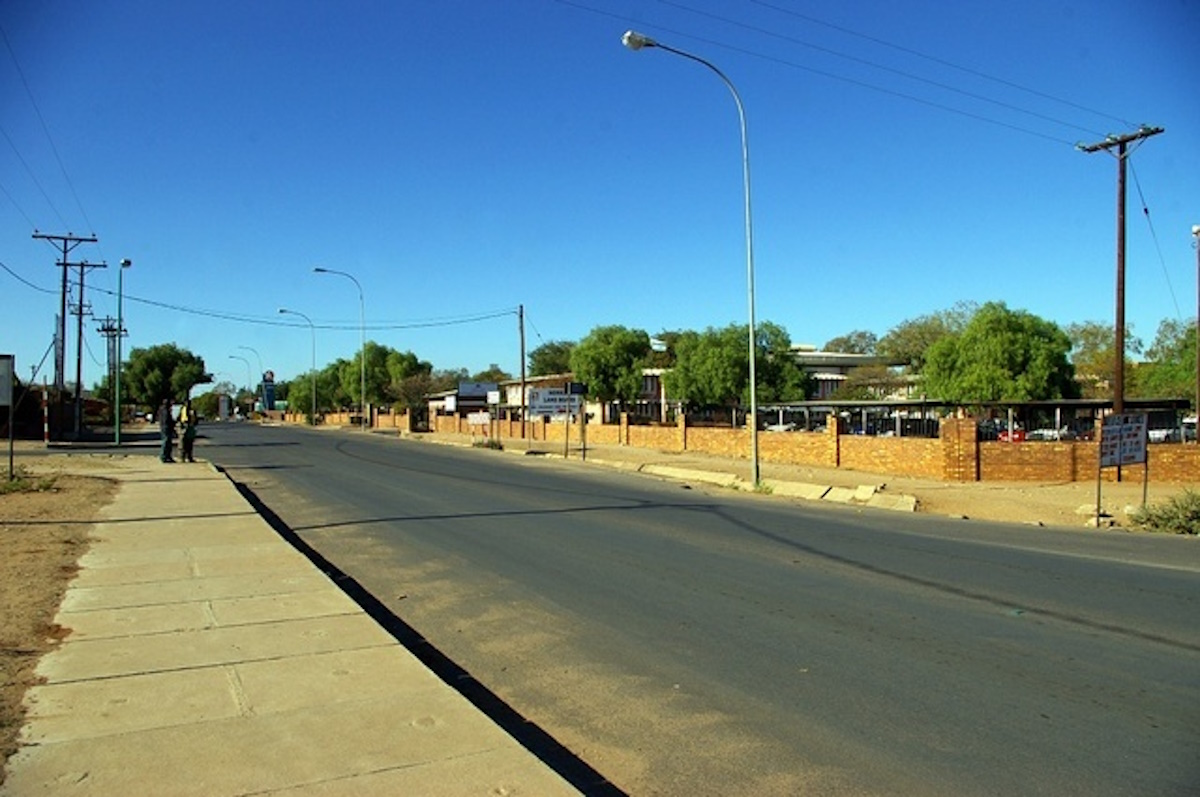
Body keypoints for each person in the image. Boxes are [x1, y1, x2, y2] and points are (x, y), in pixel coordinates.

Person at [158, 398, 176, 463]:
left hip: (164, 427)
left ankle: (168, 456)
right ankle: (164, 456)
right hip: (166, 428)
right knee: (166, 442)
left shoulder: (162, 410)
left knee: (168, 443)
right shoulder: (165, 411)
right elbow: (166, 420)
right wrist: (173, 423)